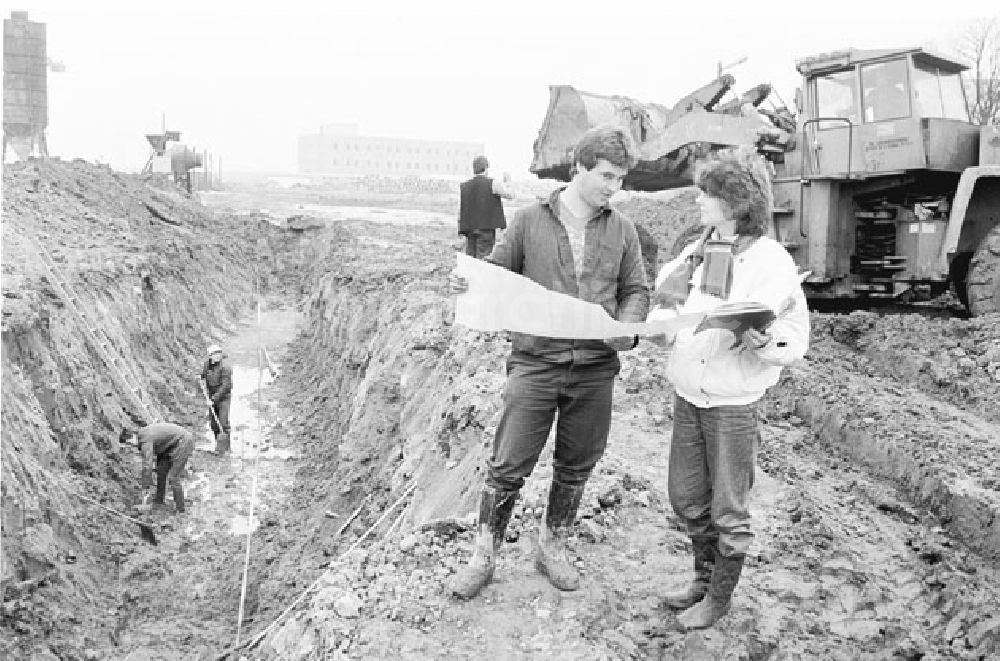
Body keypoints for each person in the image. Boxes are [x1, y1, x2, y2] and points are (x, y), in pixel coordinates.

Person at [447, 125, 650, 599]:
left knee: (577, 464)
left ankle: (551, 546)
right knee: (508, 464)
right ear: (578, 167)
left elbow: (636, 290)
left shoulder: (622, 230)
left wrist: (627, 326)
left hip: (596, 369)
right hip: (536, 363)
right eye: (605, 176)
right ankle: (484, 556)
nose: (612, 187)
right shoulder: (528, 222)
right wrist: (469, 282)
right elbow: (495, 273)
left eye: (620, 179)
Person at [651, 146, 809, 630]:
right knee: (686, 498)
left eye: (708, 194)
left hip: (732, 406)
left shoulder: (771, 261)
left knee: (729, 509)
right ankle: (702, 579)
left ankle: (718, 597)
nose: (699, 201)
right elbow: (666, 308)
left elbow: (794, 337)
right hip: (688, 397)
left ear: (735, 203)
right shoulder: (694, 253)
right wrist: (660, 323)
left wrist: (765, 340)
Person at [457, 155, 514, 259]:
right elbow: (511, 195)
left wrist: (460, 228)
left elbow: (461, 210)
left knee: (471, 259)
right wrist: (508, 181)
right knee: (483, 260)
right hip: (486, 230)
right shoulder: (493, 183)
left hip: (469, 229)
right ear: (486, 168)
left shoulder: (464, 186)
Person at [135, 422, 195, 514]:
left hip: (183, 442)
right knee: (161, 470)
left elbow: (148, 464)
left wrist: (146, 485)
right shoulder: (144, 433)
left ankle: (181, 509)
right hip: (170, 445)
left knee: (173, 477)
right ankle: (159, 501)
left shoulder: (145, 439)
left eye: (128, 443)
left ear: (131, 438)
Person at [200, 344, 232, 455]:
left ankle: (226, 449)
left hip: (223, 398)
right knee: (214, 424)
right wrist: (199, 378)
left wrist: (213, 399)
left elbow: (226, 386)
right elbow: (202, 376)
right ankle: (218, 446)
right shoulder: (207, 365)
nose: (217, 356)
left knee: (223, 423)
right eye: (214, 354)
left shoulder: (225, 368)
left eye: (219, 353)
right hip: (212, 397)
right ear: (210, 356)